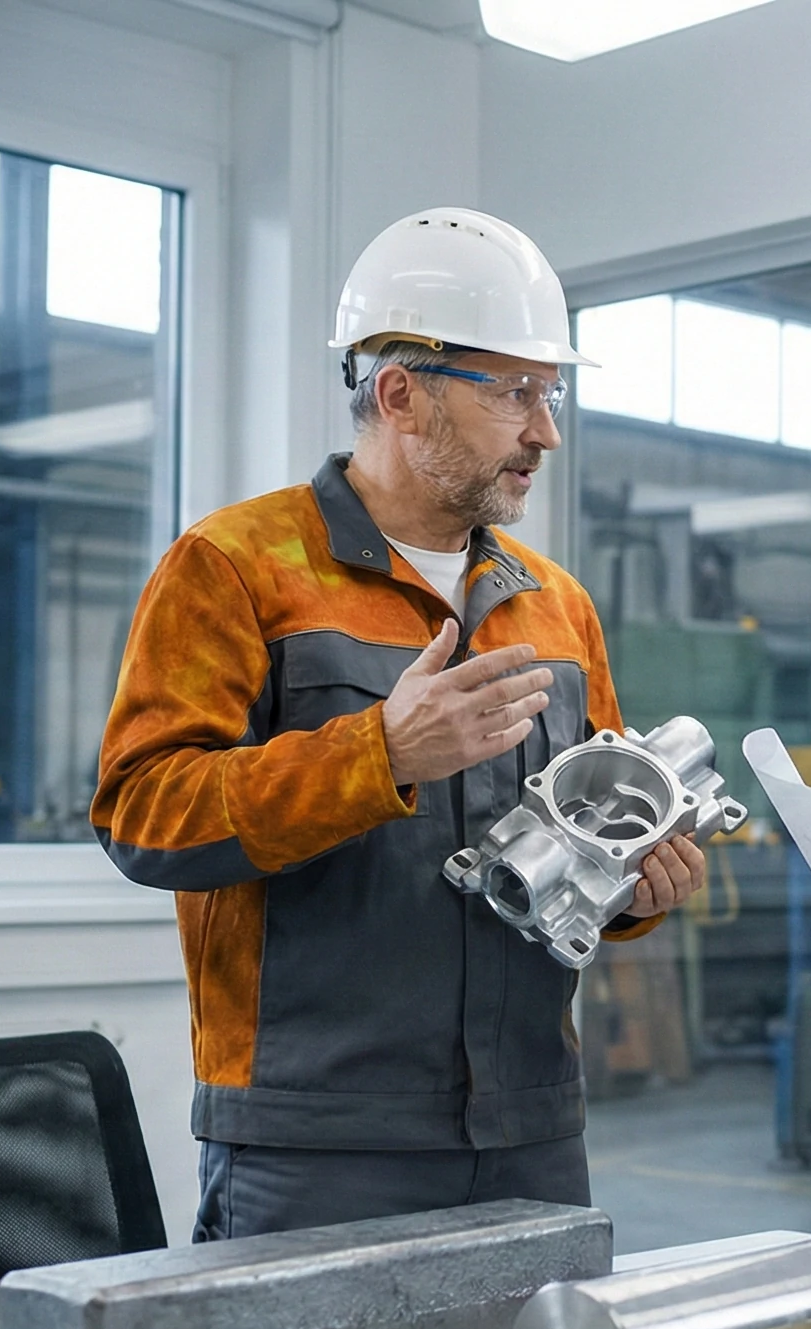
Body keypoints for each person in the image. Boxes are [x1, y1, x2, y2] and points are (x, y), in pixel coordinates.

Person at [92, 208, 706, 1240]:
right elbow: (143, 816)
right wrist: (376, 754)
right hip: (318, 1139)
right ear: (398, 394)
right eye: (515, 392)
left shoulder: (550, 605)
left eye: (548, 395)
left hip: (528, 1128)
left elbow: (595, 837)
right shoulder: (237, 568)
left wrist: (642, 887)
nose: (544, 431)